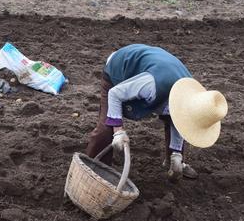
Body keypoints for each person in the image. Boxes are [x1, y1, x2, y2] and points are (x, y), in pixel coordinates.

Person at [85, 44, 228, 182]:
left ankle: (174, 161)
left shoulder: (191, 95)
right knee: (106, 128)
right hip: (119, 69)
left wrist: (177, 155)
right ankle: (92, 168)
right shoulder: (152, 85)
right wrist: (118, 131)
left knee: (174, 120)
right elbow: (115, 94)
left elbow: (180, 123)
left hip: (160, 75)